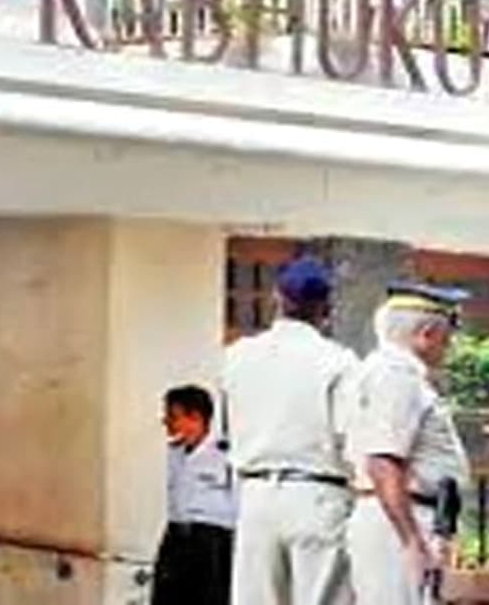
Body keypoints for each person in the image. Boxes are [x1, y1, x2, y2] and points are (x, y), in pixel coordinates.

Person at [221, 256, 359, 605]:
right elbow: (350, 438)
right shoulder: (338, 361)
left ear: (277, 298)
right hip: (317, 495)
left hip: (255, 496)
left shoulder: (238, 356)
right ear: (325, 308)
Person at [345, 282, 471, 605]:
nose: (450, 346)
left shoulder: (387, 371)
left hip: (403, 516)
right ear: (427, 333)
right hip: (401, 519)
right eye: (448, 336)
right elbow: (383, 461)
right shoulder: (396, 376)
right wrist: (412, 541)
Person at [152, 385, 236, 605]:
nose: (166, 422)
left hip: (211, 541)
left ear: (195, 417)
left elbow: (238, 503)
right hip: (177, 537)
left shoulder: (225, 455)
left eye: (173, 416)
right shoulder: (175, 451)